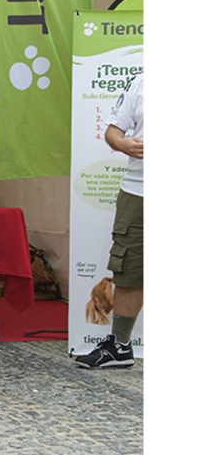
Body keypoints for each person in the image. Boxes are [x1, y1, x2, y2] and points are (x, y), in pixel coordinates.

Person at [76, 73, 143, 369]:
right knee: (128, 267)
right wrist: (123, 144)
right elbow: (113, 131)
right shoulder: (143, 81)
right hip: (138, 190)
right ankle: (120, 346)